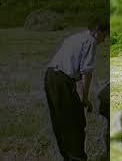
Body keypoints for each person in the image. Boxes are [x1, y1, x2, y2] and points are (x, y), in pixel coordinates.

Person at [44, 17, 107, 161]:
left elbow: (76, 70)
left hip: (51, 78)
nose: (104, 40)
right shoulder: (90, 41)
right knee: (73, 123)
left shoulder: (76, 37)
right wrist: (85, 98)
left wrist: (80, 95)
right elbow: (86, 72)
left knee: (61, 121)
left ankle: (68, 156)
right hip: (61, 81)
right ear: (97, 31)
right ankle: (76, 158)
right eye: (105, 35)